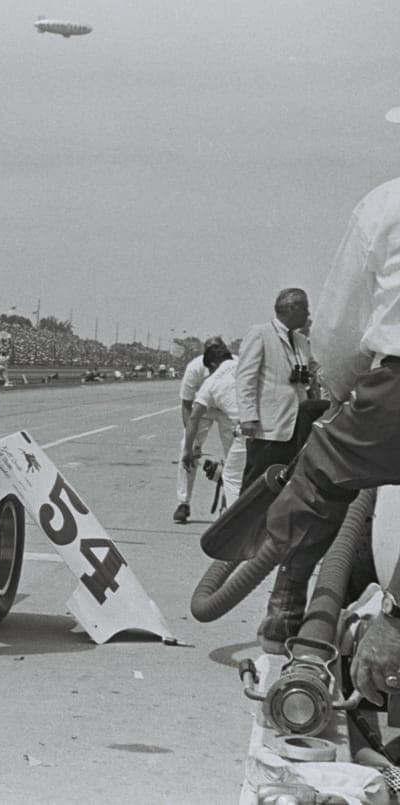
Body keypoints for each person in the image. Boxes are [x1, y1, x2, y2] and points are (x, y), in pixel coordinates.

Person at [247, 177, 400, 668]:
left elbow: (340, 327)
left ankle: (287, 603)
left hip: (395, 390)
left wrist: (336, 392)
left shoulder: (386, 202)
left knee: (318, 475)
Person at [235, 288, 315, 489]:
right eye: (305, 308)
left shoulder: (301, 341)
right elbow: (246, 378)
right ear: (292, 308)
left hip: (296, 425)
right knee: (257, 483)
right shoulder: (260, 334)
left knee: (286, 483)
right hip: (268, 427)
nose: (308, 314)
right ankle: (246, 520)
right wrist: (248, 417)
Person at [174, 336, 236, 523]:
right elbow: (186, 405)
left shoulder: (236, 363)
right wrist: (192, 443)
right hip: (204, 409)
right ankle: (183, 502)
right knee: (186, 448)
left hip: (227, 409)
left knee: (234, 453)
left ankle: (230, 500)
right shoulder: (195, 368)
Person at [181, 342, 245, 507]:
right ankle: (184, 501)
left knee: (230, 477)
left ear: (213, 364)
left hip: (242, 426)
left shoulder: (211, 381)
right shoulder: (244, 365)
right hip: (268, 422)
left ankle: (234, 521)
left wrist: (188, 449)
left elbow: (193, 418)